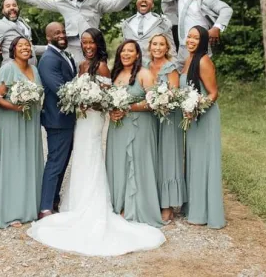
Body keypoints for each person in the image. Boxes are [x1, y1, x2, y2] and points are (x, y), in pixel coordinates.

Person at [27, 29, 165, 256]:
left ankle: (92, 202)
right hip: (81, 118)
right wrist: (79, 101)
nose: (88, 46)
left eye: (91, 42)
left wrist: (90, 103)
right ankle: (76, 201)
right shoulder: (81, 65)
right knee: (80, 157)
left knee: (90, 154)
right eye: (84, 42)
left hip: (92, 120)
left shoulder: (101, 66)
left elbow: (106, 98)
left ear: (98, 43)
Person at [1, 0, 147, 61]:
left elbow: (117, 5)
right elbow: (41, 2)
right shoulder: (64, 2)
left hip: (92, 46)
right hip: (71, 47)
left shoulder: (97, 1)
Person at [106, 40, 164, 228]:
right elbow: (109, 100)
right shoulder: (115, 74)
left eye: (130, 51)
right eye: (123, 51)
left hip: (140, 127)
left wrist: (129, 107)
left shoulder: (144, 74)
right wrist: (112, 111)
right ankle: (120, 204)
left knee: (137, 165)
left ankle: (137, 208)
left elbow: (156, 102)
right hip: (118, 127)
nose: (126, 54)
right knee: (120, 164)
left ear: (138, 54)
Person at [0, 37, 44, 228]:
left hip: (31, 121)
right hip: (13, 120)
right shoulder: (7, 68)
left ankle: (31, 207)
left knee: (30, 160)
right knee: (14, 162)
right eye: (21, 46)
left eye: (27, 45)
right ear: (13, 50)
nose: (25, 48)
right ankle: (12, 212)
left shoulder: (34, 69)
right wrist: (15, 108)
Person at [181, 26, 225, 229]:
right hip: (193, 116)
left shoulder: (204, 60)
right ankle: (195, 207)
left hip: (204, 116)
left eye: (196, 38)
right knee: (194, 160)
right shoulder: (188, 59)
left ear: (203, 41)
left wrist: (196, 108)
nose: (191, 40)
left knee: (203, 161)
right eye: (189, 36)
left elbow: (213, 93)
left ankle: (207, 211)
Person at [36, 22, 77, 219]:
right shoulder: (48, 59)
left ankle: (53, 201)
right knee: (55, 163)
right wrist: (83, 97)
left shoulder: (63, 54)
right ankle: (45, 208)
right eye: (56, 33)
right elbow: (60, 89)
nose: (61, 35)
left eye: (63, 31)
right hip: (57, 119)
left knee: (61, 162)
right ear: (48, 37)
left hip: (67, 119)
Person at [148, 34, 186, 223]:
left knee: (168, 157)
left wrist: (162, 100)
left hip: (169, 117)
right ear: (149, 47)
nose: (157, 47)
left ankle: (168, 205)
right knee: (154, 158)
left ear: (167, 48)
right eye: (154, 44)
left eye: (161, 44)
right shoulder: (146, 66)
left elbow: (175, 93)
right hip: (151, 118)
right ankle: (155, 199)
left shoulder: (171, 68)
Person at [0, 0, 46, 66]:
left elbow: (31, 49)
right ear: (3, 10)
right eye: (8, 6)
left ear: (18, 8)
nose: (12, 7)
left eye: (14, 5)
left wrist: (49, 48)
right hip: (13, 72)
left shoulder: (23, 24)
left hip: (30, 71)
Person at [121, 0, 178, 67]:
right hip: (132, 71)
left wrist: (174, 68)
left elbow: (171, 50)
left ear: (152, 5)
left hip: (155, 71)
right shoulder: (126, 24)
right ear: (137, 2)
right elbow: (124, 49)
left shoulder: (163, 23)